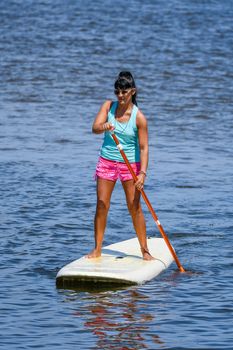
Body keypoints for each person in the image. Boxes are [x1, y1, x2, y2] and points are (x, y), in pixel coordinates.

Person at [87, 71, 154, 260]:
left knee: (134, 207)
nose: (120, 96)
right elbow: (94, 128)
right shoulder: (108, 106)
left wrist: (142, 174)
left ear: (132, 91)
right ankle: (97, 248)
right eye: (117, 92)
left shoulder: (139, 117)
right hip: (106, 161)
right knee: (101, 204)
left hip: (130, 165)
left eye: (124, 92)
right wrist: (105, 126)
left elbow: (144, 147)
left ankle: (145, 250)